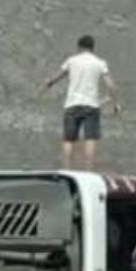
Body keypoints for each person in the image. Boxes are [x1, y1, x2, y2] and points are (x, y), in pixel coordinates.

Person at [44, 35, 120, 170]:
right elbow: (111, 85)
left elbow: (57, 76)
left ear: (79, 47)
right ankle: (88, 170)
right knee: (90, 139)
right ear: (93, 47)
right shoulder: (100, 63)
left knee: (68, 139)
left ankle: (66, 169)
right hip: (91, 105)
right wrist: (115, 103)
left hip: (72, 104)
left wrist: (49, 83)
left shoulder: (71, 61)